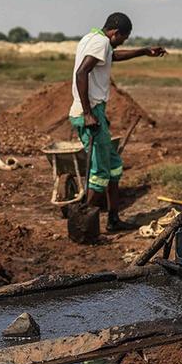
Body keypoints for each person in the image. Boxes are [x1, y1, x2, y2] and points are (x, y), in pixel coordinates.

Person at [69, 12, 166, 232]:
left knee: (113, 167)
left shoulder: (93, 39)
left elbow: (113, 56)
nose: (123, 42)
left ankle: (113, 219)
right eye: (124, 37)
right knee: (100, 173)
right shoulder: (101, 42)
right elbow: (81, 72)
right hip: (88, 112)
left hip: (95, 111)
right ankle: (80, 224)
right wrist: (88, 113)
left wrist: (143, 51)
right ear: (115, 32)